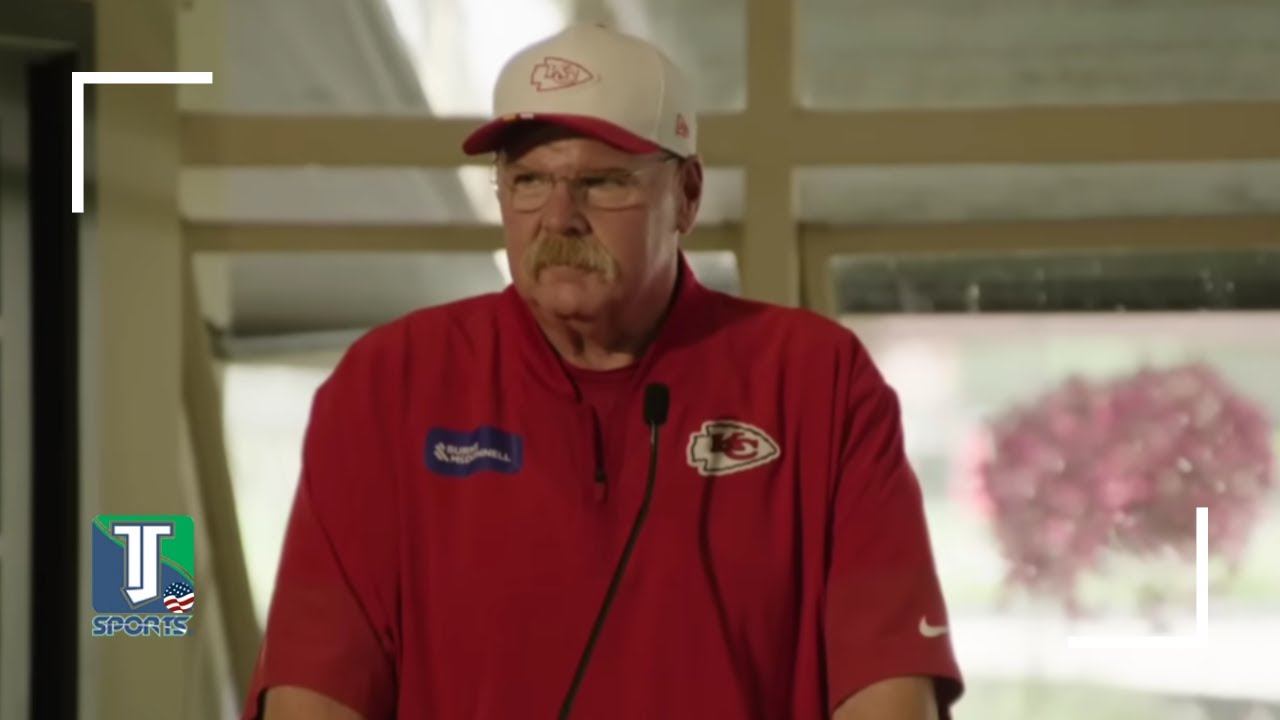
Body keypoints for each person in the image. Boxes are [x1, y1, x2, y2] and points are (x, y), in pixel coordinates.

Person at [242, 22, 964, 720]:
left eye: (602, 182)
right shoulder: (388, 386)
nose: (559, 218)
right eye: (527, 181)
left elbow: (888, 686)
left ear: (687, 195)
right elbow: (317, 685)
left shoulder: (815, 381)